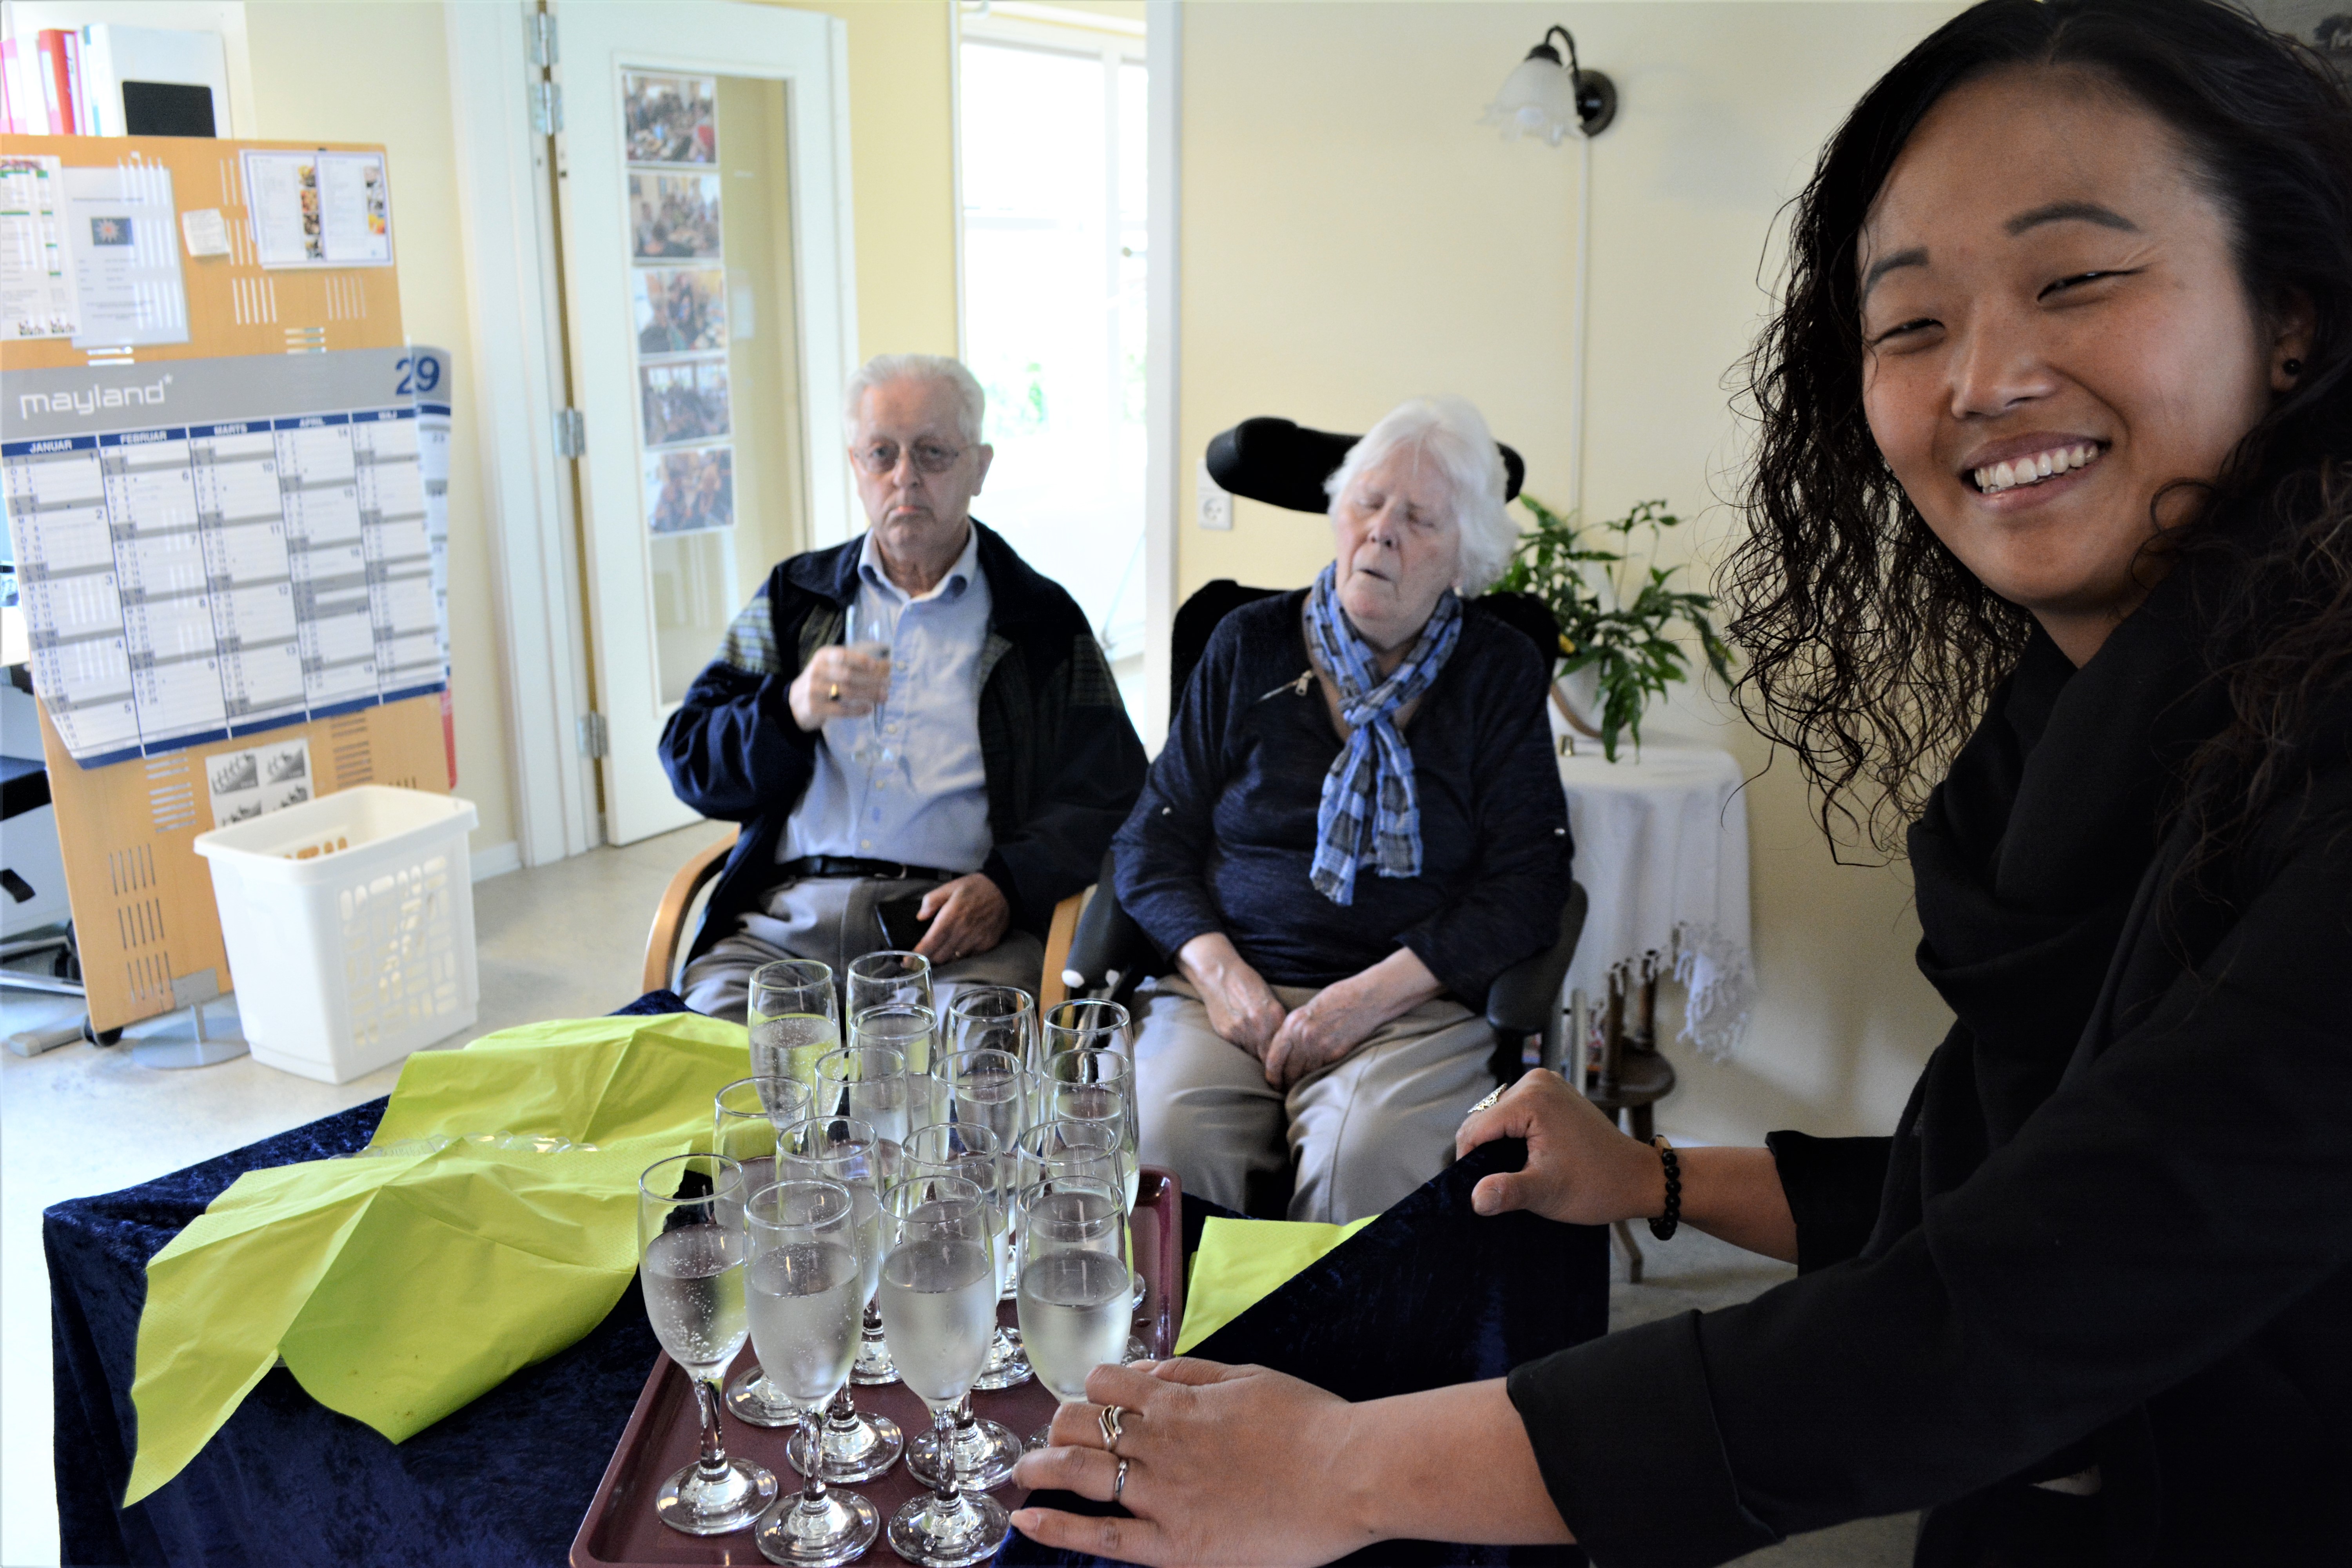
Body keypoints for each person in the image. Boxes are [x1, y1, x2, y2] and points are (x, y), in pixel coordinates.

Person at [1008, 1, 2352, 1562]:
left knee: (1378, 1161)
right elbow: (1998, 1194)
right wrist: (1652, 1173)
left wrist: (1347, 1466)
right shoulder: (2078, 732)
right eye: (1911, 322)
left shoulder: (2313, 777)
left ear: (2294, 313)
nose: (1985, 377)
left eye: (2078, 279)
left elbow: (1999, 1307)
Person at [1112, 396, 1572, 1223]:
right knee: (1165, 1138)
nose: (1382, 532)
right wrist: (1226, 981)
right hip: (1224, 994)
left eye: (1420, 518)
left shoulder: (1498, 668)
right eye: (1369, 502)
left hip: (1410, 1011)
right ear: (1337, 512)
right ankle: (1176, 1319)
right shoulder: (1245, 642)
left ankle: (1321, 1323)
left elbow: (1529, 880)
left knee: (1363, 1156)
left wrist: (1363, 1001)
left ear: (1465, 555)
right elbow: (1153, 840)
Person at [662, 353, 1147, 1021]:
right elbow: (689, 757)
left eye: (933, 453)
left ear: (980, 467)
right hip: (784, 924)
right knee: (707, 1054)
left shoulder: (1038, 620)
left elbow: (1116, 795)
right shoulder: (798, 598)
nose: (904, 477)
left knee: (977, 1064)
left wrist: (1007, 885)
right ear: (856, 465)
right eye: (881, 454)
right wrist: (789, 708)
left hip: (953, 934)